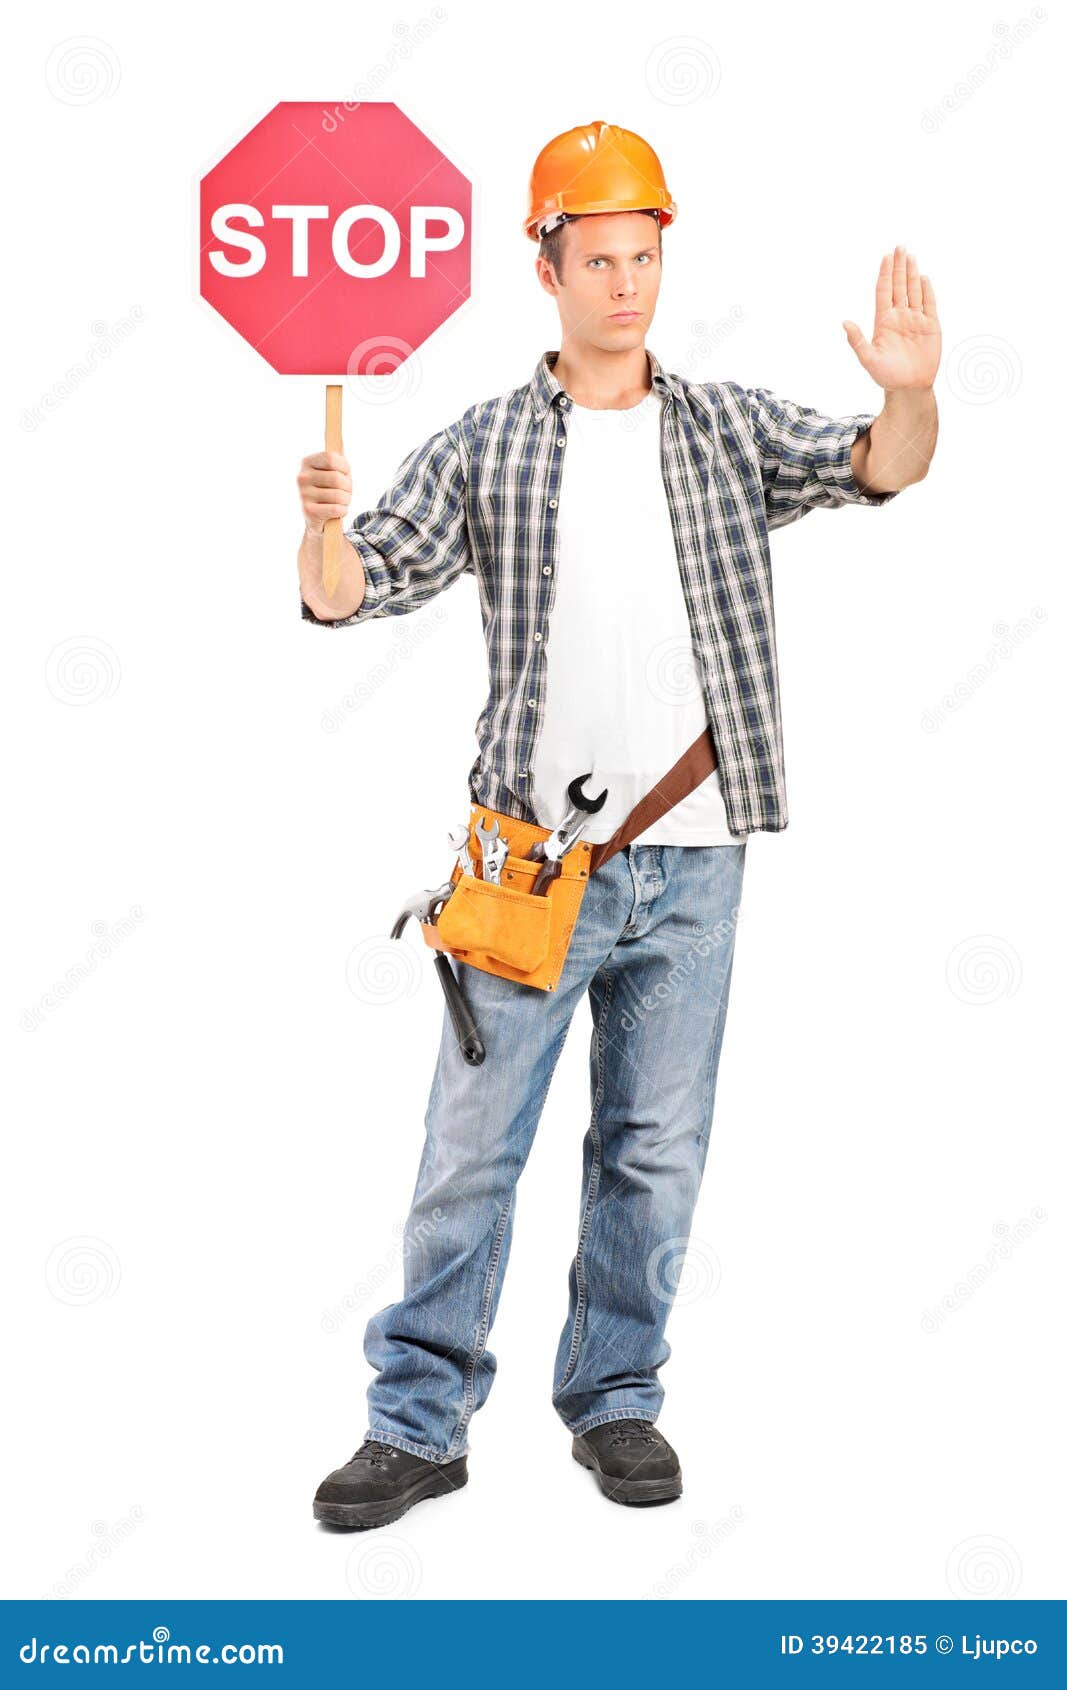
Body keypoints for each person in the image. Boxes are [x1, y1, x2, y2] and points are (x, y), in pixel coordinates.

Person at [298, 121, 940, 1531]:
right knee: (472, 1147)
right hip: (531, 865)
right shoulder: (488, 443)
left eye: (645, 256)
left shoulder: (722, 427)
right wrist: (324, 528)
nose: (627, 284)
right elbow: (355, 590)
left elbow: (882, 464)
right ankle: (416, 1422)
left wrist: (911, 396)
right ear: (549, 265)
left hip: (699, 860)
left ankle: (617, 1398)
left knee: (655, 1147)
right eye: (599, 258)